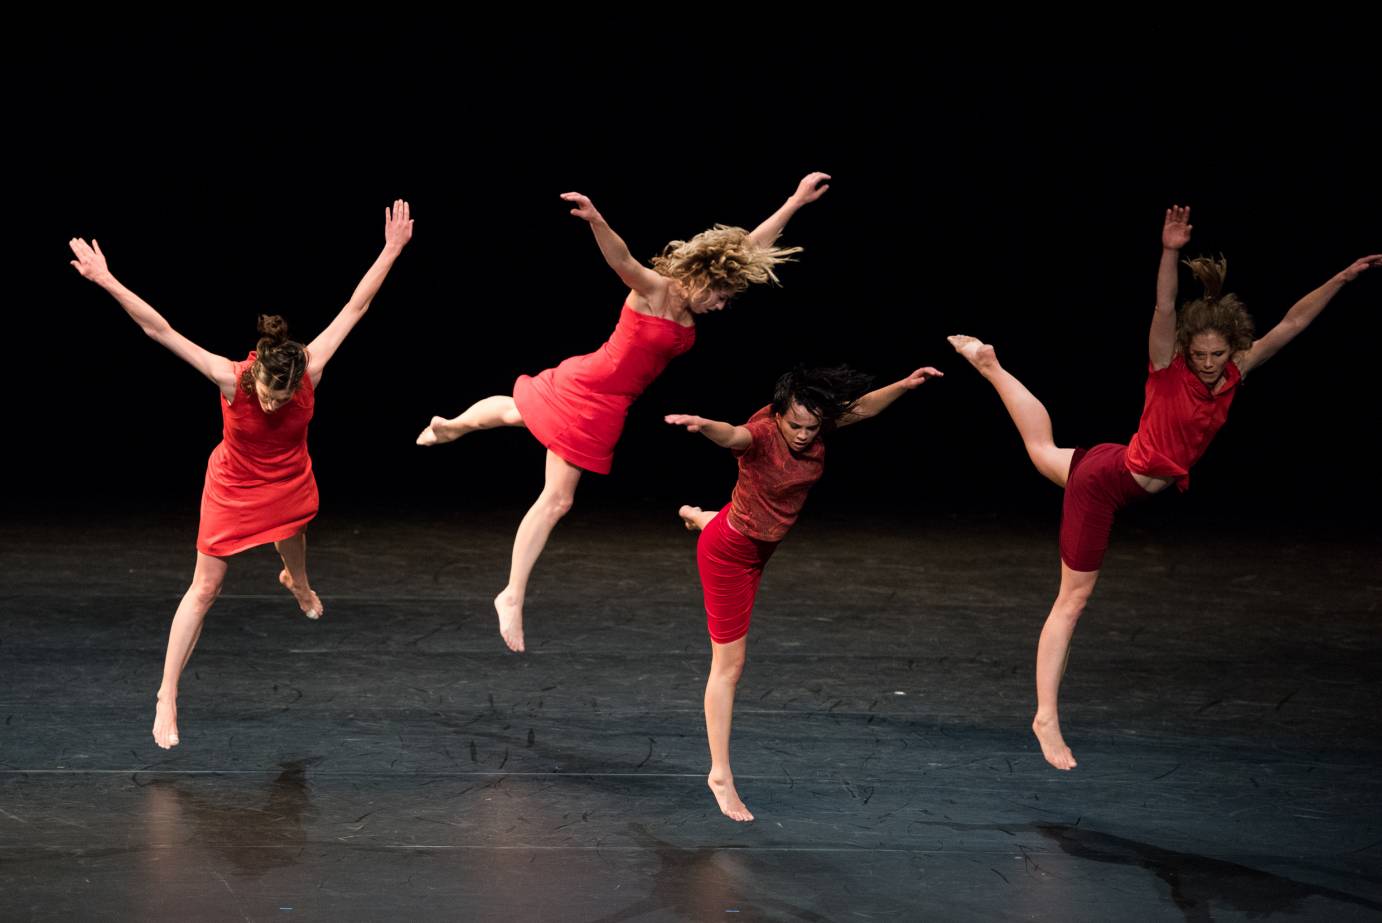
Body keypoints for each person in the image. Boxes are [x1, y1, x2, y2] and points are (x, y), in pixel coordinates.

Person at [948, 205, 1380, 770]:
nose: (1205, 364)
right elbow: (1163, 306)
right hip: (1107, 484)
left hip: (1116, 465)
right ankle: (1045, 716)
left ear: (1231, 349)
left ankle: (990, 365)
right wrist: (1170, 250)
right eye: (1197, 354)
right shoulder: (1166, 367)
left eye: (1215, 355)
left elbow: (1292, 324)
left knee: (1042, 451)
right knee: (1072, 599)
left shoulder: (1234, 374)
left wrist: (1342, 279)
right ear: (1183, 350)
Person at [416, 174, 831, 653]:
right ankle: (510, 593)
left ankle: (451, 426)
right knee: (556, 498)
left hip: (610, 402)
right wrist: (596, 220)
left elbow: (751, 247)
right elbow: (622, 259)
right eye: (718, 296)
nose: (720, 306)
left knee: (516, 412)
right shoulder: (656, 290)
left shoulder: (698, 301)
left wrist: (795, 201)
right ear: (702, 279)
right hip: (592, 385)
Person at [68, 200, 415, 749]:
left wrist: (392, 249)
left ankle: (296, 582)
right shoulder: (231, 379)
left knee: (295, 533)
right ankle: (167, 695)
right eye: (268, 396)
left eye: (283, 397)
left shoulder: (311, 369)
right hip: (232, 485)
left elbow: (355, 306)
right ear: (256, 372)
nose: (275, 406)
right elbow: (159, 329)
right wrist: (106, 279)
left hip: (289, 479)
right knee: (205, 588)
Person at [668, 362, 943, 820]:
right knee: (729, 667)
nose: (802, 434)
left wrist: (904, 384)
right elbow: (732, 435)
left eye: (811, 427)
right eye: (794, 425)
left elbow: (861, 409)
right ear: (777, 415)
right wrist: (702, 427)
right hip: (731, 554)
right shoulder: (760, 434)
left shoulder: (815, 426)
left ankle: (698, 515)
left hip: (759, 543)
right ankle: (719, 773)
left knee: (720, 521)